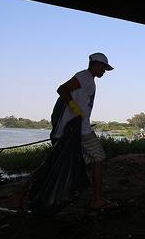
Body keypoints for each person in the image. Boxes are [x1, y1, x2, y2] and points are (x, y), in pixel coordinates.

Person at [7, 52, 117, 213]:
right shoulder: (84, 76)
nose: (104, 72)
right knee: (99, 157)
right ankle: (97, 201)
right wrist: (75, 110)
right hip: (76, 130)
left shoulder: (89, 80)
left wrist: (79, 114)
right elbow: (62, 89)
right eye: (103, 68)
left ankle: (18, 194)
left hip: (74, 130)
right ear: (96, 64)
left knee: (52, 164)